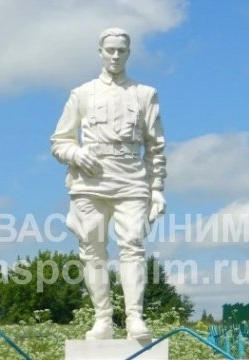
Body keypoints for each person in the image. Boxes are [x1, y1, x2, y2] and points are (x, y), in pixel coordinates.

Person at [51, 27, 166, 341]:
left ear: (129, 53)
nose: (115, 56)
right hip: (89, 181)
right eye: (110, 50)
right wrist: (76, 153)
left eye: (121, 51)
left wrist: (157, 188)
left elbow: (155, 146)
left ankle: (134, 318)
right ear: (100, 52)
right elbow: (59, 141)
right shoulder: (81, 93)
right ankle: (102, 319)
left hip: (131, 179)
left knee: (133, 246)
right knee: (93, 250)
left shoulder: (145, 94)